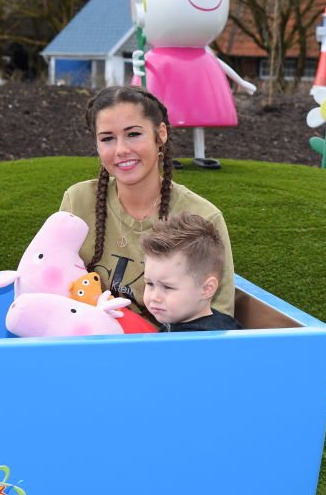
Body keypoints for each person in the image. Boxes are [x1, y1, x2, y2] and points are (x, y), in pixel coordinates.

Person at [59, 86, 236, 322]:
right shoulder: (78, 202)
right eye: (108, 138)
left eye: (133, 134)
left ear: (160, 134)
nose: (121, 150)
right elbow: (52, 282)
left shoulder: (202, 217)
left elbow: (217, 318)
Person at [141, 213, 242, 332]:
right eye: (150, 284)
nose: (154, 297)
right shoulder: (177, 322)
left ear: (206, 289)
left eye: (168, 287)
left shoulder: (198, 343)